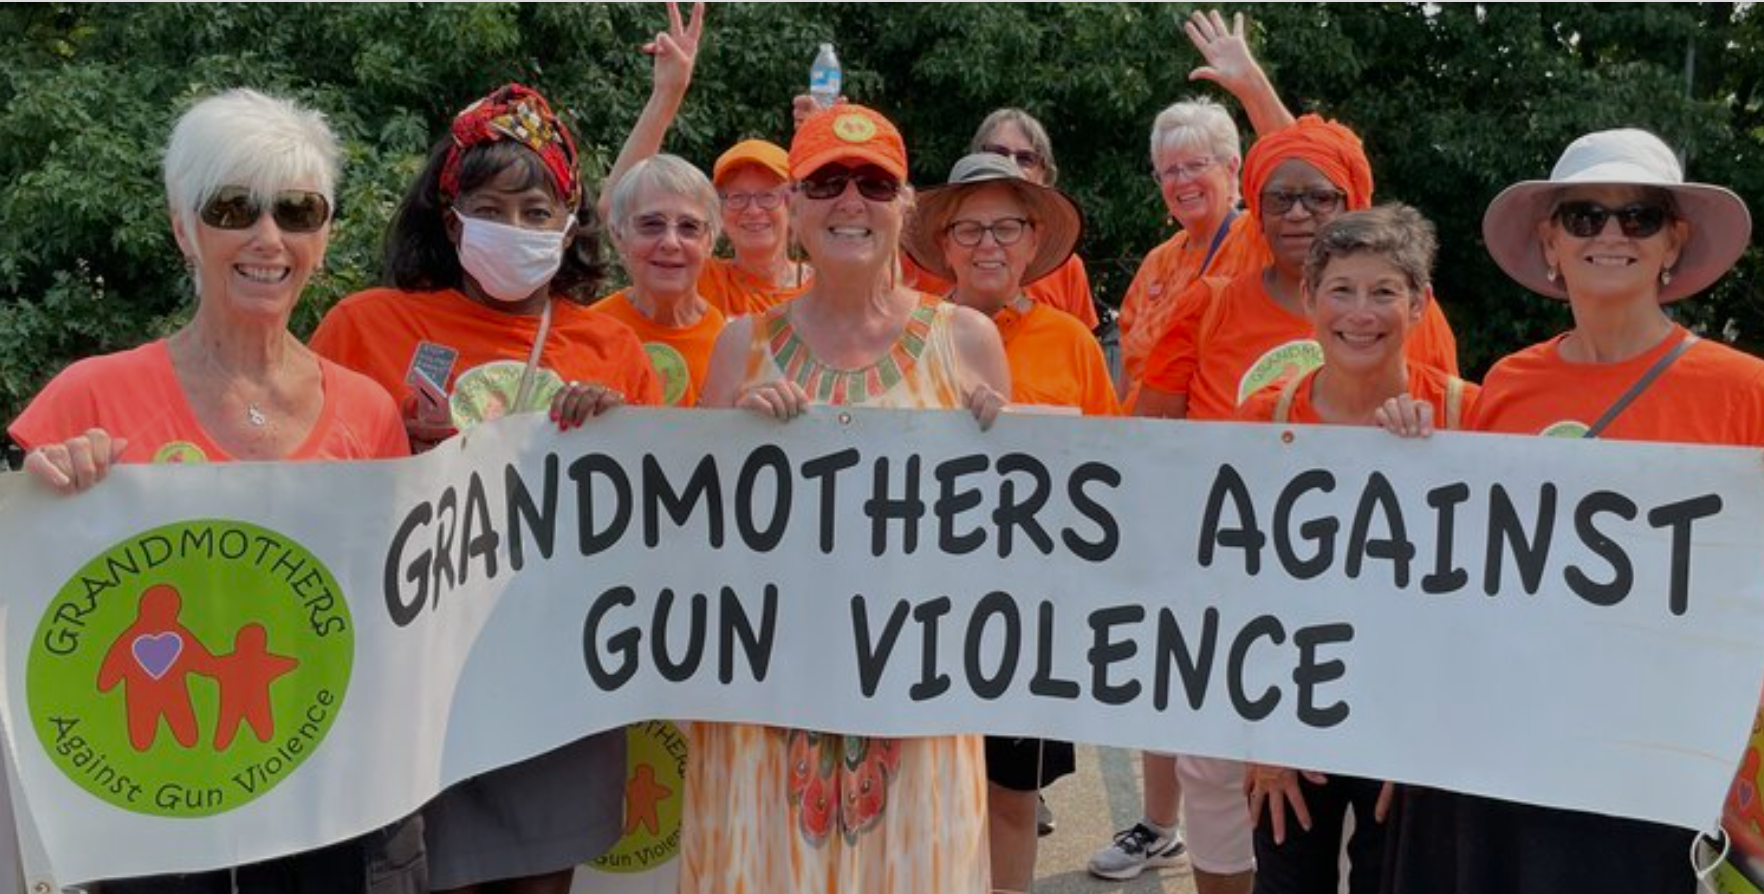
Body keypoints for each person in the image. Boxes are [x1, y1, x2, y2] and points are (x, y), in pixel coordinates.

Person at [10, 88, 425, 893]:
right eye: (234, 207)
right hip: (156, 818)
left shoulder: (373, 411)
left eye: (298, 211)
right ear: (182, 228)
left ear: (324, 234)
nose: (268, 238)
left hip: (334, 807)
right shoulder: (85, 398)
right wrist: (44, 503)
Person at [1377, 128, 1758, 894]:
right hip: (1508, 749)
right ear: (1550, 240)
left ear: (1672, 242)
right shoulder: (1511, 384)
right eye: (1584, 215)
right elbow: (1468, 572)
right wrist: (1408, 456)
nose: (1610, 234)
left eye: (1638, 217)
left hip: (1656, 759)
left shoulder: (1744, 391)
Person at [309, 82, 660, 894]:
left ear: (570, 226)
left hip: (557, 680)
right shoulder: (364, 326)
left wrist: (620, 434)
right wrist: (397, 445)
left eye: (537, 212)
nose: (516, 229)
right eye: (493, 207)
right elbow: (310, 481)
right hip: (415, 682)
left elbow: (656, 522)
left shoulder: (612, 346)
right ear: (449, 214)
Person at [686, 104, 1011, 894]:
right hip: (762, 711)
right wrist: (730, 438)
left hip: (915, 702)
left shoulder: (966, 340)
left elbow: (1009, 546)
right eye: (827, 182)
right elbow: (686, 533)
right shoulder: (741, 345)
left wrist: (1008, 441)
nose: (850, 201)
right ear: (794, 207)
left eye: (874, 183)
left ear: (906, 207)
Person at [1232, 204, 1476, 894]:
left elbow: (1486, 599)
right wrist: (1262, 736)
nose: (1360, 313)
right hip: (1292, 710)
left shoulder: (1469, 418)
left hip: (1413, 719)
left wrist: (1426, 737)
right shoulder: (1263, 421)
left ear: (1420, 303)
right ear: (1310, 299)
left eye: (1384, 292)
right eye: (1341, 289)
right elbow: (1236, 587)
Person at [902, 150, 1111, 891]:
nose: (988, 245)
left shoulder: (1073, 343)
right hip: (919, 611)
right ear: (944, 244)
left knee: (1013, 798)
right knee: (922, 794)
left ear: (1031, 241)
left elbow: (1108, 475)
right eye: (970, 230)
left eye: (1006, 228)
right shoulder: (906, 333)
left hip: (1031, 613)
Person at [1114, 11, 1296, 408]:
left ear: (1233, 168)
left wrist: (1251, 85)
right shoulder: (1156, 263)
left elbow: (1301, 163)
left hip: (1230, 439)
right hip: (1148, 443)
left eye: (1196, 165)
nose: (1182, 181)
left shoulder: (1261, 235)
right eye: (1170, 171)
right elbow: (1129, 376)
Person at [904, 108, 1102, 330]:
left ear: (1045, 177)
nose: (1011, 165)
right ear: (944, 242)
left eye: (1026, 158)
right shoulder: (919, 266)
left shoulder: (1069, 270)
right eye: (998, 154)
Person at [594, 155, 726, 407]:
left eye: (689, 227)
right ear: (619, 234)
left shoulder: (735, 347)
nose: (670, 243)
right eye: (651, 224)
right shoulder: (587, 336)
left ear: (709, 241)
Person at [699, 138, 813, 316]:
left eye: (768, 196)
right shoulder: (701, 279)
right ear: (720, 211)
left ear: (792, 206)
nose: (753, 210)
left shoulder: (826, 287)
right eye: (737, 197)